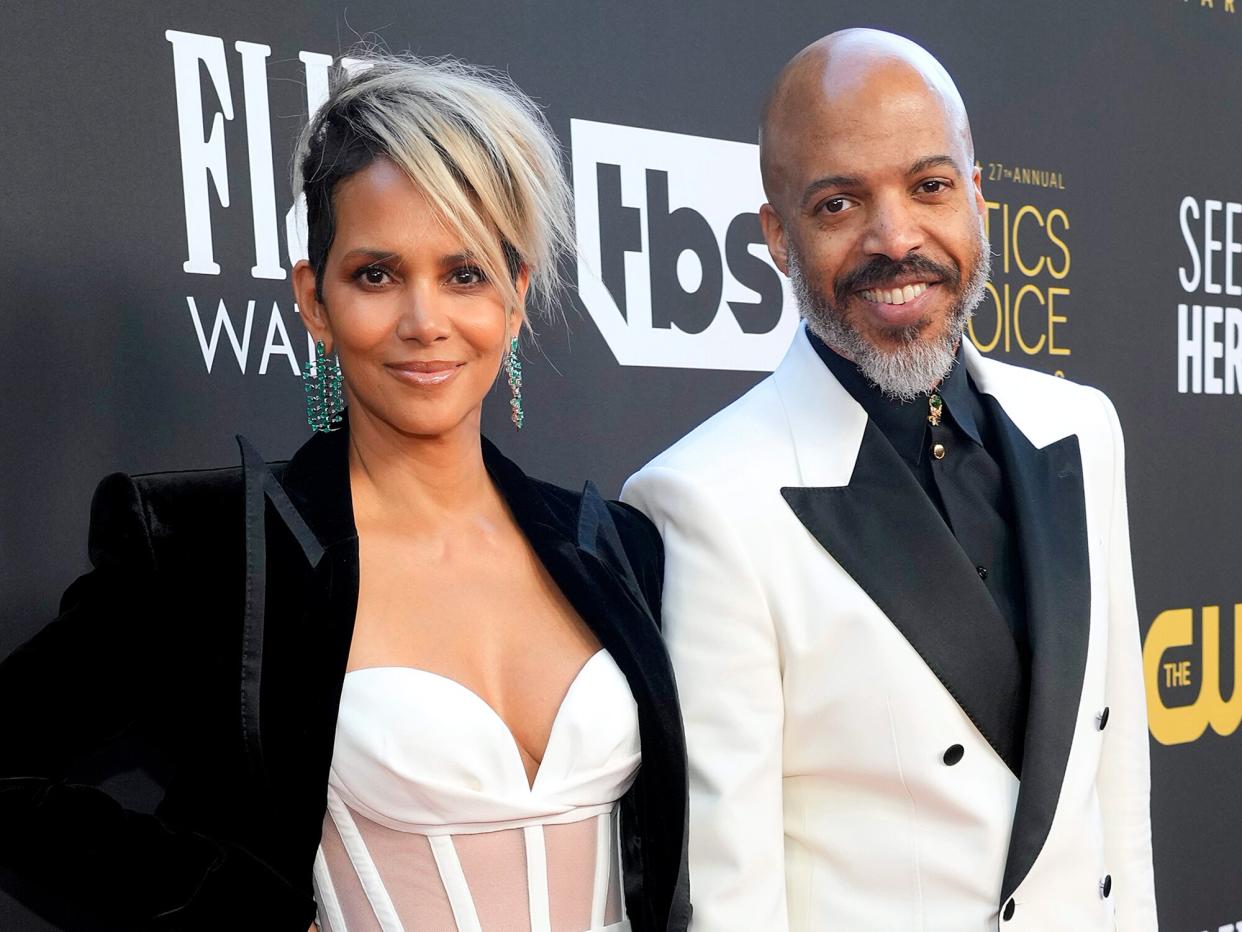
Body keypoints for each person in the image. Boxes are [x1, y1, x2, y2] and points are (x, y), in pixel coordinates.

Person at [0, 55, 689, 932]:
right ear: (314, 301)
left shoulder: (619, 546)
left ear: (515, 299)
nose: (423, 319)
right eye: (376, 274)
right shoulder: (212, 548)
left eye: (464, 273)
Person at [622, 28, 1156, 932]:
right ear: (777, 238)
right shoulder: (704, 502)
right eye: (837, 205)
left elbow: (1114, 798)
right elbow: (733, 895)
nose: (895, 237)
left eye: (929, 186)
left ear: (976, 197)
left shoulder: (1083, 430)